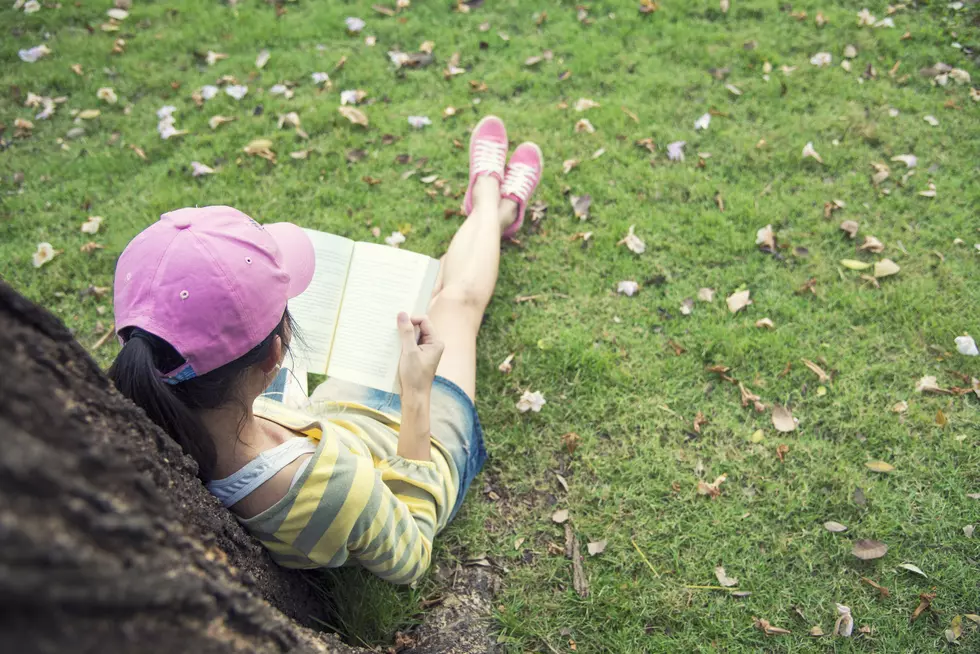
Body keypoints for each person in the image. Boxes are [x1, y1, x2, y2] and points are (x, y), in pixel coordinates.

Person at [108, 117, 543, 584]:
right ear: (273, 358)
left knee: (429, 289)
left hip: (342, 416)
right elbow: (412, 552)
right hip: (420, 448)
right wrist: (416, 392)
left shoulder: (164, 410)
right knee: (455, 302)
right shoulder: (330, 490)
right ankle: (489, 200)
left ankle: (493, 212)